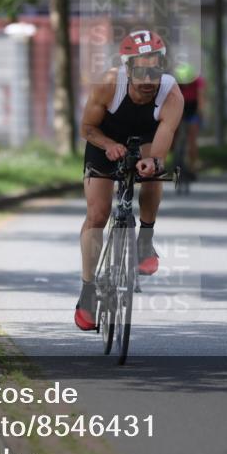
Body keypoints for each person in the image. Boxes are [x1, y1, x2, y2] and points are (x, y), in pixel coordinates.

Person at [74, 30, 184, 331]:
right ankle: (87, 290)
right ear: (128, 68)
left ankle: (145, 240)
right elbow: (87, 128)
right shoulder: (109, 84)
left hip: (146, 138)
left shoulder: (171, 93)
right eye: (141, 71)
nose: (149, 80)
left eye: (155, 70)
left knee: (152, 173)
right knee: (98, 214)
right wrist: (108, 145)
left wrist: (153, 162)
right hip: (104, 139)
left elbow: (164, 136)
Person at [175, 64, 205, 177]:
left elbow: (201, 99)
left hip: (193, 109)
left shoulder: (198, 81)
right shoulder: (176, 83)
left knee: (192, 139)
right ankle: (176, 159)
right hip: (180, 108)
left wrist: (200, 114)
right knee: (173, 134)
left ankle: (193, 166)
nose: (186, 85)